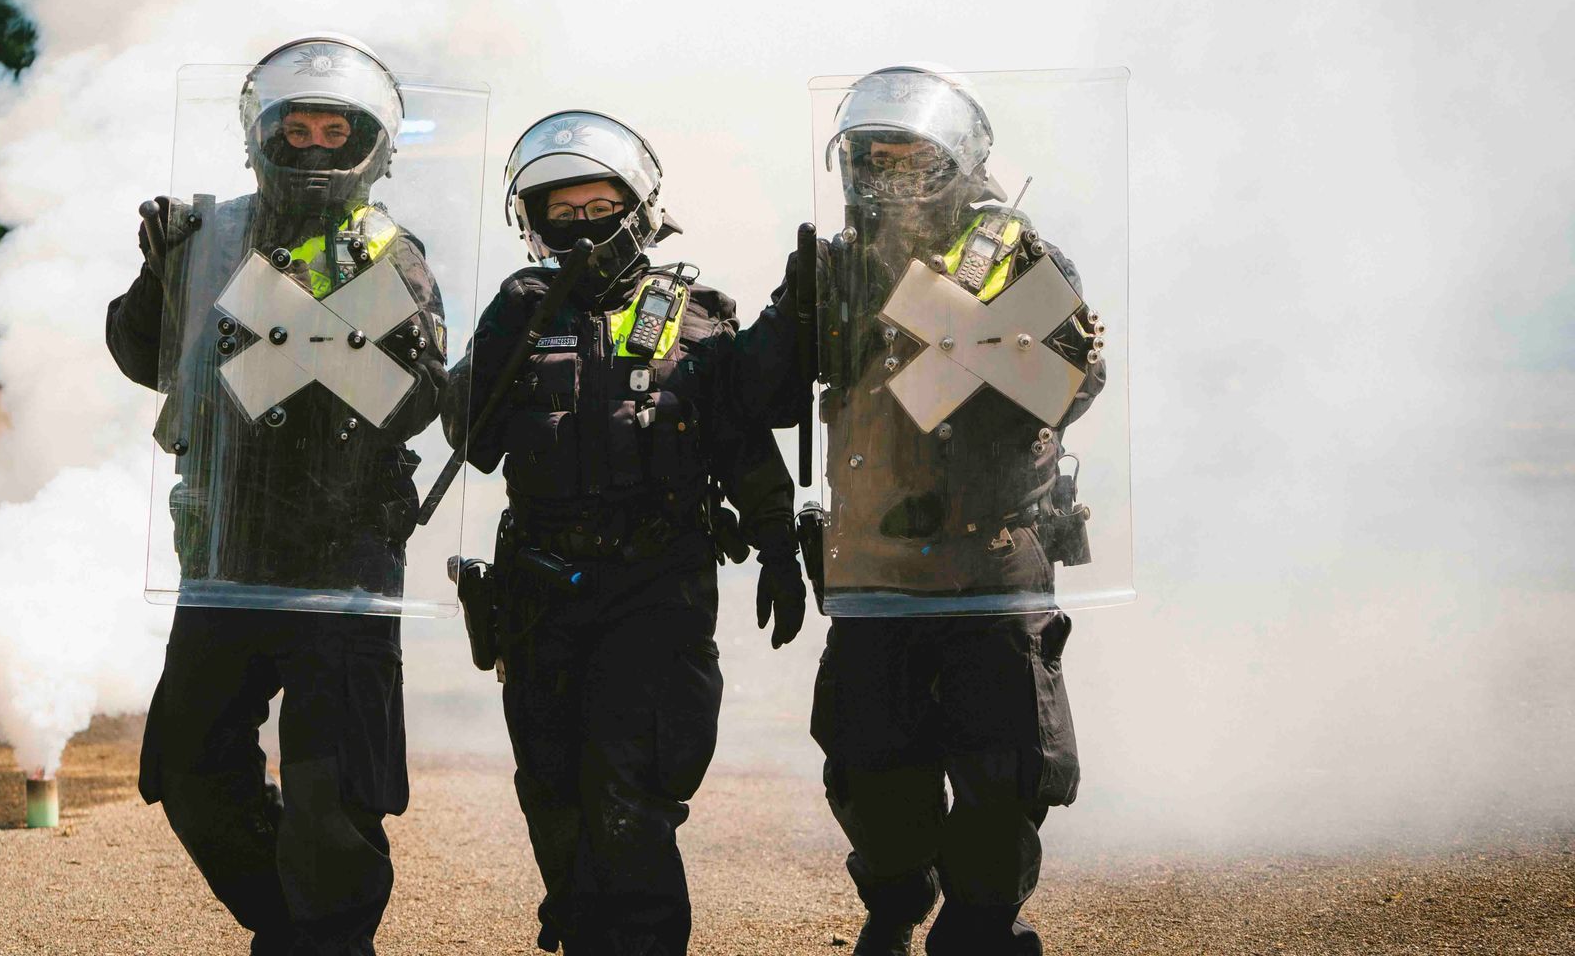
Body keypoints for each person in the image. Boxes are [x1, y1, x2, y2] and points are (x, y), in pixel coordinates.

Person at [730, 65, 1106, 956]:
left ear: (959, 160)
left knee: (1000, 780)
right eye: (874, 156)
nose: (891, 174)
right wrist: (794, 308)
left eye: (912, 156)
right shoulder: (835, 265)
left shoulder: (1015, 253)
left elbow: (1074, 390)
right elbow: (758, 393)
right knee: (872, 781)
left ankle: (980, 927)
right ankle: (895, 901)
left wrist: (1012, 346)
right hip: (876, 572)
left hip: (994, 568)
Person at [106, 35, 449, 956]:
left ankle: (325, 942)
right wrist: (159, 269)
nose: (311, 144)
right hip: (226, 547)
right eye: (293, 128)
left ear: (370, 143)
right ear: (260, 134)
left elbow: (407, 402)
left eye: (334, 128)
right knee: (187, 767)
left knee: (330, 792)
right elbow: (148, 363)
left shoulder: (387, 250)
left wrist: (281, 316)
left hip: (341, 556)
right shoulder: (210, 233)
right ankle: (293, 928)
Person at [443, 110, 807, 956]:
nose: (582, 225)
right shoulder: (521, 313)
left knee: (631, 799)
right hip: (540, 589)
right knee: (553, 791)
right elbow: (474, 441)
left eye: (597, 204)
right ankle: (578, 919)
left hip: (658, 589)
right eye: (560, 212)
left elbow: (744, 449)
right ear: (532, 221)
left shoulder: (697, 318)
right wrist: (503, 335)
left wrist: (781, 546)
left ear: (637, 204)